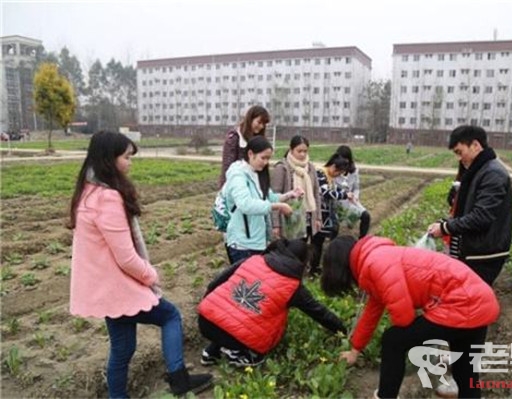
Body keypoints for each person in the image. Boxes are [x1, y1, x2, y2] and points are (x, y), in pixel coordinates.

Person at [68, 131, 213, 398]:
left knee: (123, 349)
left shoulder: (88, 192)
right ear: (110, 160)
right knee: (170, 316)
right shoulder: (107, 198)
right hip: (119, 286)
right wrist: (150, 275)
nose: (130, 162)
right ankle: (179, 378)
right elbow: (125, 258)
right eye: (126, 157)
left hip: (106, 289)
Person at [321, 235, 500, 399]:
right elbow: (372, 312)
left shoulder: (376, 263)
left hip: (460, 303)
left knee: (393, 339)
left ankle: (386, 396)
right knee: (465, 368)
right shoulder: (378, 257)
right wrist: (355, 349)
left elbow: (404, 317)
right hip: (480, 302)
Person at [197, 238, 346, 367]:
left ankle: (212, 351)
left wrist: (208, 305)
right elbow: (319, 313)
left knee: (232, 310)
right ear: (302, 262)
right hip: (235, 335)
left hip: (205, 321)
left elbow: (214, 283)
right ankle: (245, 355)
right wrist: (344, 330)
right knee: (269, 322)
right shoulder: (292, 286)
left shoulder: (253, 259)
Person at [427, 125, 512, 286]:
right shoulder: (478, 171)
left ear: (475, 145)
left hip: (481, 256)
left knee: (468, 301)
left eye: (460, 152)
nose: (459, 158)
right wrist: (445, 223)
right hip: (471, 252)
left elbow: (481, 217)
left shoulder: (492, 174)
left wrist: (445, 228)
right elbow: (467, 211)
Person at [223, 135, 303, 264]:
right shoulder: (238, 174)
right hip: (242, 243)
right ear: (250, 154)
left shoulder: (257, 173)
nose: (266, 162)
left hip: (258, 241)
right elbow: (245, 204)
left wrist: (290, 195)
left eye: (268, 158)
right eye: (263, 158)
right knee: (247, 282)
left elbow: (269, 198)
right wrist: (278, 207)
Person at [271, 135, 322, 240]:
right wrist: (276, 224)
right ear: (291, 149)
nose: (302, 154)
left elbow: (316, 193)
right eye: (299, 151)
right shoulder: (282, 168)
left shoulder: (310, 168)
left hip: (307, 216)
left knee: (303, 248)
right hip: (289, 218)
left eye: (305, 151)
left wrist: (317, 217)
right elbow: (274, 196)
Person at [310, 153, 352, 275]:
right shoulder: (320, 174)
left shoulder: (329, 177)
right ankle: (312, 268)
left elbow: (334, 189)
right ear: (333, 167)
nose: (338, 175)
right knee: (316, 242)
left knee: (319, 241)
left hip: (324, 215)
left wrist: (344, 192)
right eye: (338, 172)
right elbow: (326, 192)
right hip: (316, 213)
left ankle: (315, 266)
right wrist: (344, 195)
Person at [219, 105, 270, 189]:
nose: (262, 127)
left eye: (264, 124)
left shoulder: (260, 140)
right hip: (236, 187)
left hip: (254, 187)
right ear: (250, 119)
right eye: (259, 122)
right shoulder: (234, 138)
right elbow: (227, 168)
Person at [333, 145, 371, 238]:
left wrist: (355, 197)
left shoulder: (354, 171)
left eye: (346, 160)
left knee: (366, 216)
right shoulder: (333, 171)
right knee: (334, 224)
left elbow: (356, 187)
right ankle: (331, 243)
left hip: (351, 201)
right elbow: (331, 189)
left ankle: (362, 240)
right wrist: (343, 195)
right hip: (336, 202)